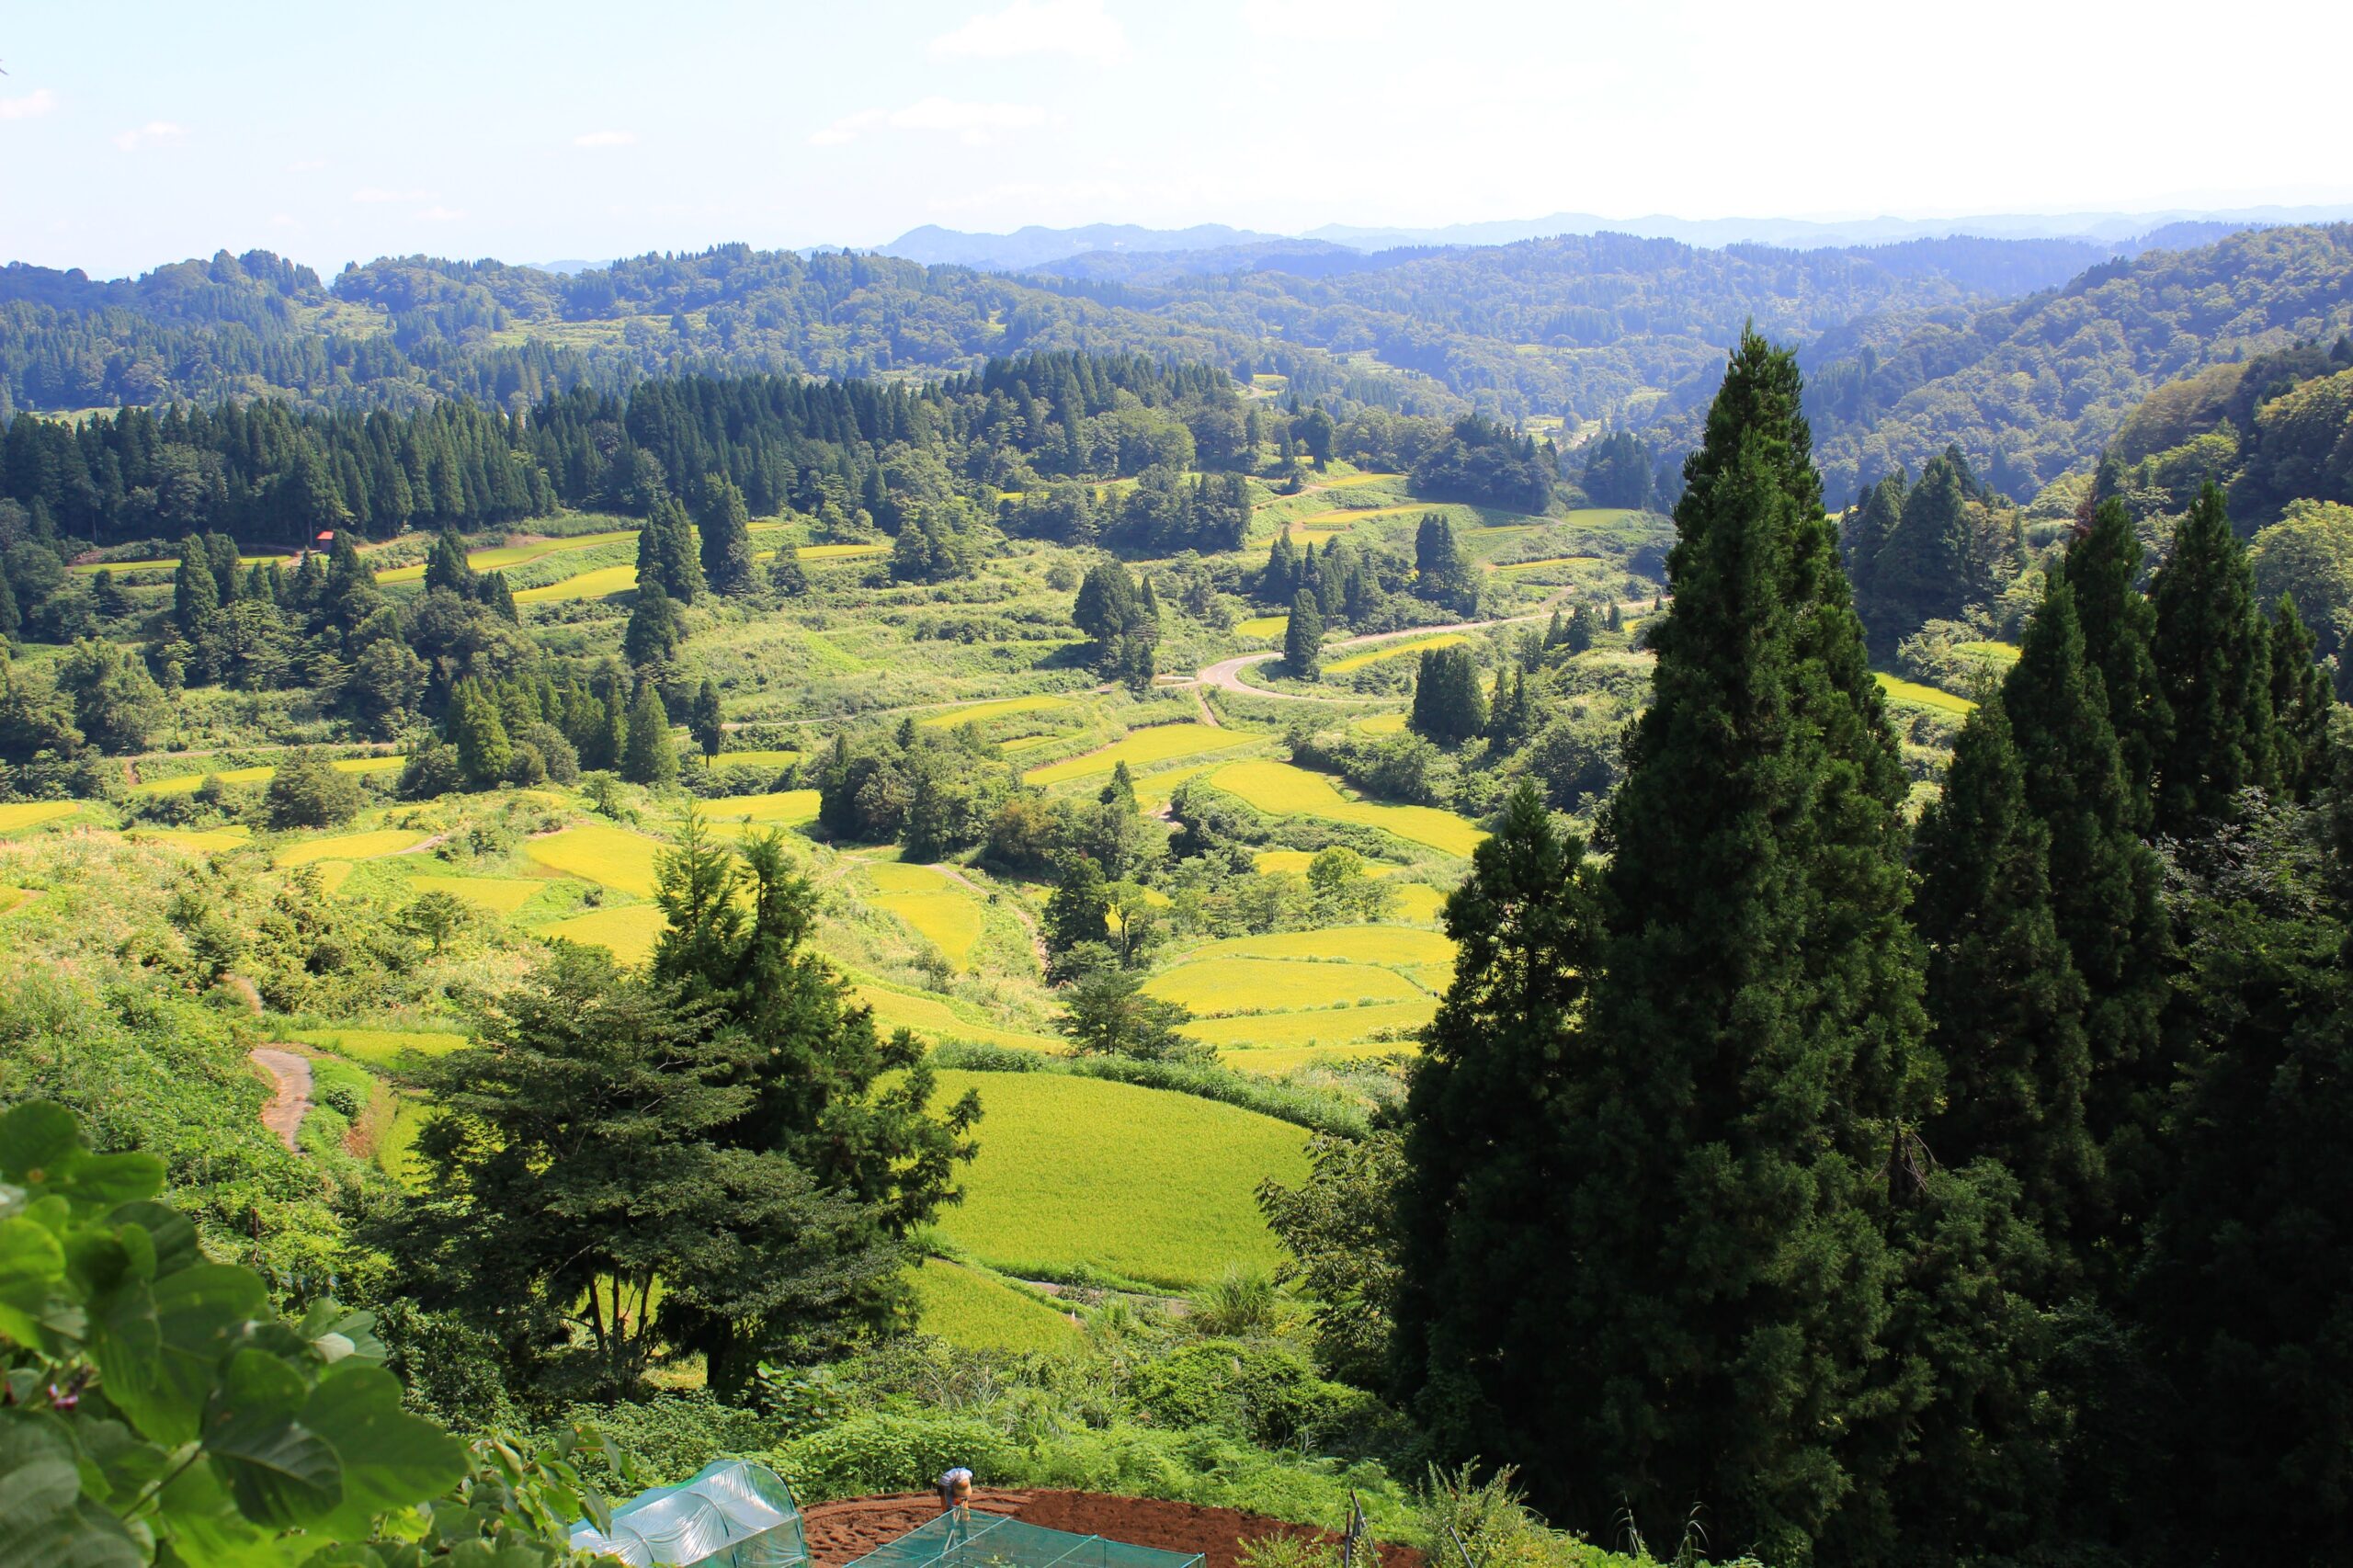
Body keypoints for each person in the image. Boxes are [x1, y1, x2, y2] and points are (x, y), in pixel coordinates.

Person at [938, 1467, 975, 1551]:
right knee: (950, 1516)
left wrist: (963, 1496)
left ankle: (964, 1535)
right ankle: (952, 1541)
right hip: (945, 1489)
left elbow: (966, 1485)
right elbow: (949, 1503)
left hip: (958, 1486)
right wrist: (951, 1509)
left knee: (965, 1513)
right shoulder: (946, 1483)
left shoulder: (968, 1474)